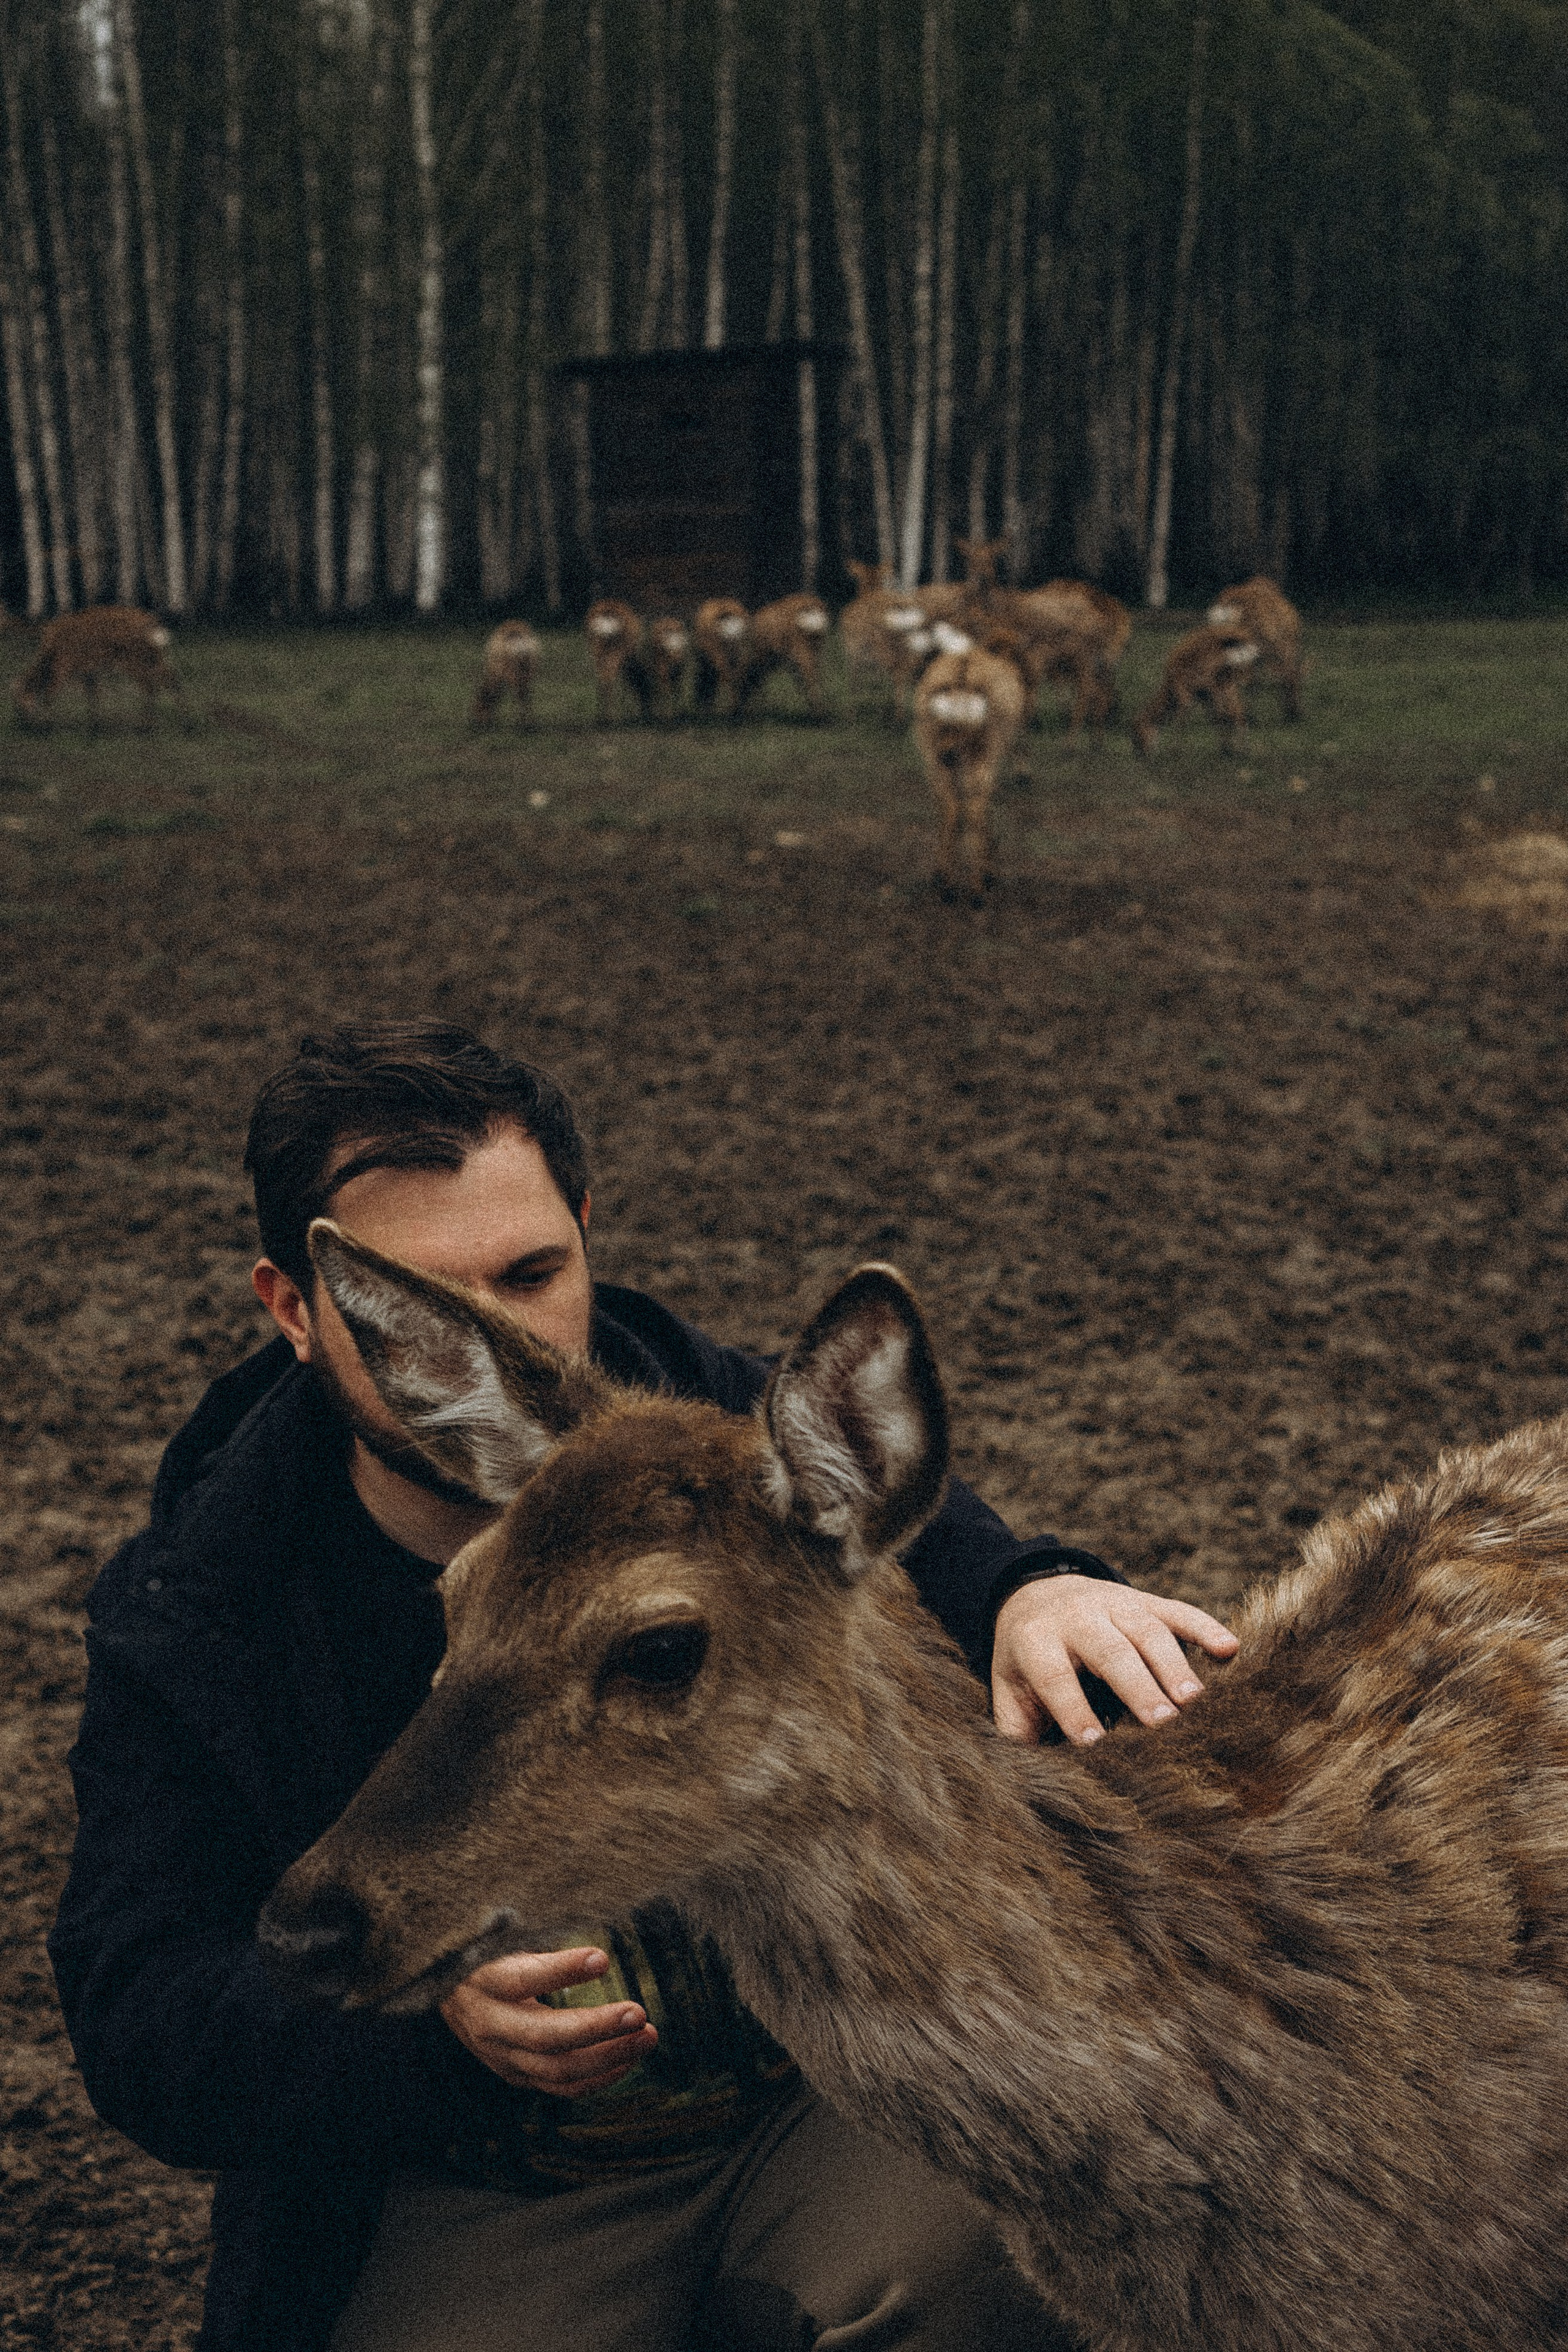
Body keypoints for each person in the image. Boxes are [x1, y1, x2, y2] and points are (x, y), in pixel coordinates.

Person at [50, 1021, 1238, 2352]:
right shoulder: (201, 1609)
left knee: (1019, 2264)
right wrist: (423, 2042)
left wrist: (1040, 1584)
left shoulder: (726, 1440)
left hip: (828, 2106)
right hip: (496, 2172)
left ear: (585, 1231)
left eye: (532, 1270)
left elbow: (940, 1556)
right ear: (299, 1311)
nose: (488, 1339)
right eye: (424, 1299)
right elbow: (137, 2007)